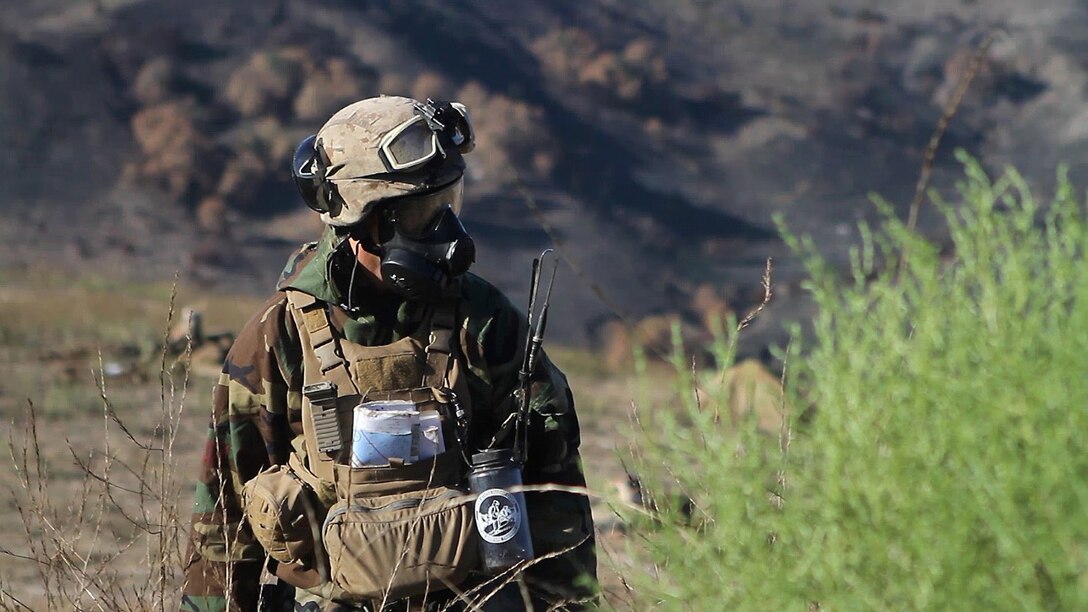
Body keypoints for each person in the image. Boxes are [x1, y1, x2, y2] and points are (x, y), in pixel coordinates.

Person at [180, 95, 597, 611]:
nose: (448, 236)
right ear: (362, 221)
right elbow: (223, 522)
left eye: (450, 205)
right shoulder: (279, 334)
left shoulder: (483, 320)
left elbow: (556, 490)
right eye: (423, 216)